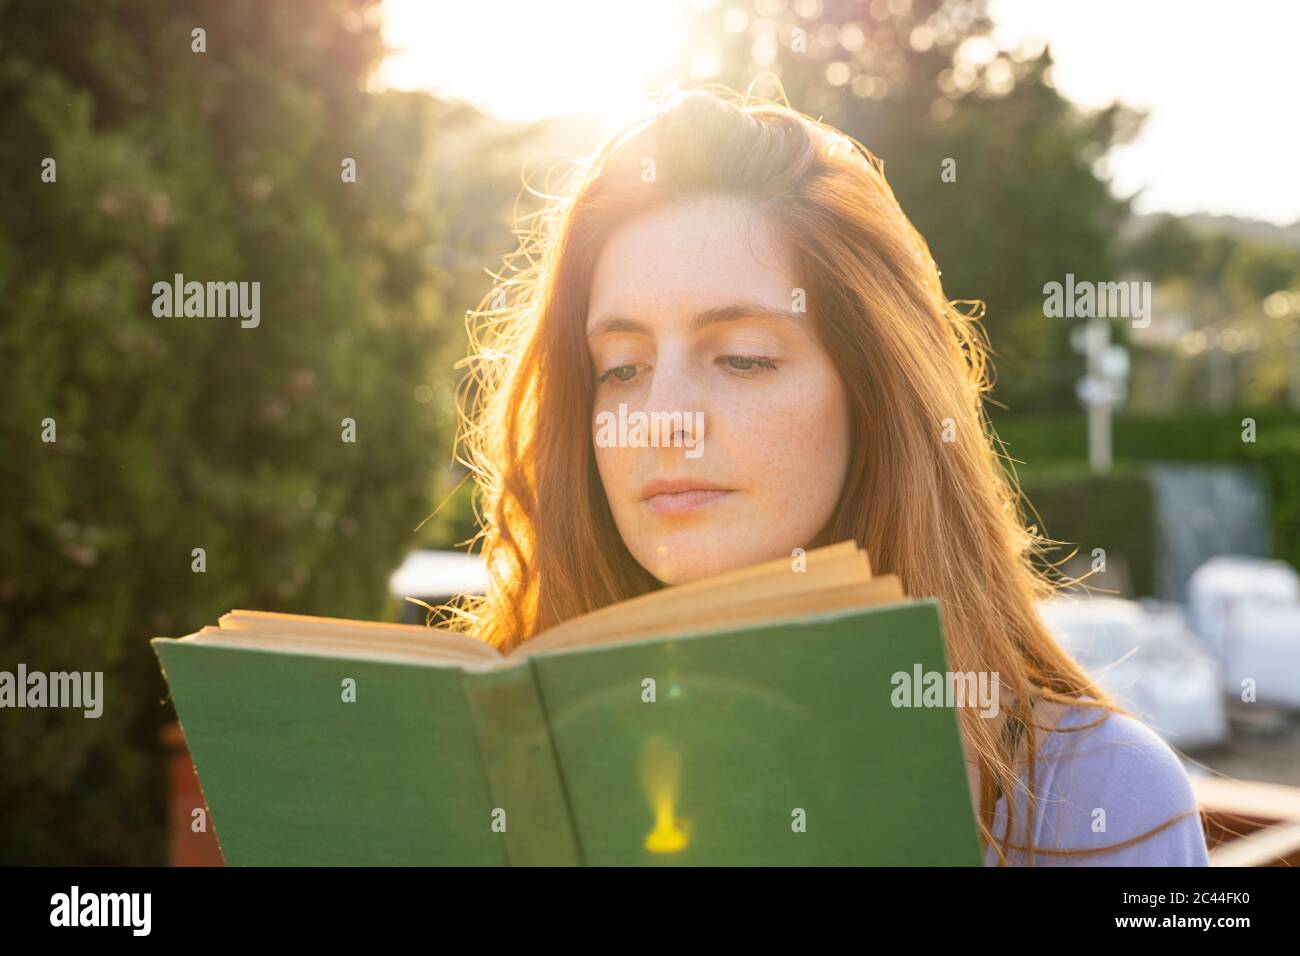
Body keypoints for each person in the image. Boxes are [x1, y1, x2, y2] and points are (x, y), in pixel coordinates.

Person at [450, 86, 1208, 866]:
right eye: (621, 367)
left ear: (872, 392)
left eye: (742, 357)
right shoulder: (497, 771)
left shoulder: (1098, 800)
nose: (660, 416)